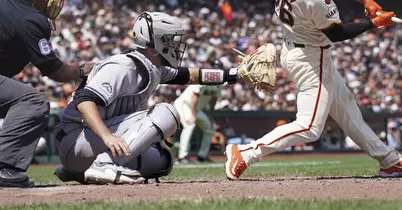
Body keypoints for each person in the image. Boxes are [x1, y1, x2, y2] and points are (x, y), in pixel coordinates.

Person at [225, 0, 402, 179]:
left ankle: (389, 161)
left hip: (296, 48)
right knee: (309, 127)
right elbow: (337, 34)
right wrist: (374, 24)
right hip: (311, 58)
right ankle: (246, 152)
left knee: (349, 114)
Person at [54, 11, 275, 184]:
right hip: (76, 139)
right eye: (169, 40)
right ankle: (104, 165)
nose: (176, 45)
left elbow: (190, 75)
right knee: (168, 112)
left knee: (163, 161)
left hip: (87, 147)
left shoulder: (151, 67)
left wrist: (233, 75)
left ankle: (79, 172)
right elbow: (84, 101)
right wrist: (108, 138)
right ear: (153, 44)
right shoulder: (122, 66)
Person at [0, 0, 93, 188]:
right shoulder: (29, 17)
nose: (53, 2)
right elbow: (56, 71)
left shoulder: (6, 7)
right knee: (32, 101)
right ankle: (5, 169)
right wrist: (81, 71)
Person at [173, 85, 219, 164]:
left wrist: (211, 116)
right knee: (189, 126)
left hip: (195, 108)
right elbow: (194, 98)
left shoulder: (218, 81)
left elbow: (214, 99)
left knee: (210, 127)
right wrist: (193, 115)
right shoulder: (203, 78)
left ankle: (202, 156)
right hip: (184, 104)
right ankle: (182, 156)